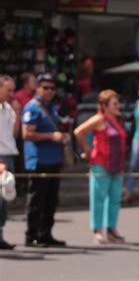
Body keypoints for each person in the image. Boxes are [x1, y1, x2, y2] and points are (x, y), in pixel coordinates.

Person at [74, 90, 127, 245]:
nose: (118, 106)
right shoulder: (99, 119)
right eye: (114, 103)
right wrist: (87, 150)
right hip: (101, 164)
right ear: (105, 106)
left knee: (115, 199)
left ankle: (112, 229)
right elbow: (79, 132)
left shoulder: (117, 120)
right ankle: (98, 230)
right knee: (99, 198)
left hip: (117, 165)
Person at [22, 73, 68, 247]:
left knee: (50, 201)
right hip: (38, 160)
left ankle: (45, 233)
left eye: (52, 88)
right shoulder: (32, 108)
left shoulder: (51, 107)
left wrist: (62, 137)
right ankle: (31, 235)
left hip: (53, 160)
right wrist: (51, 136)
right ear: (38, 88)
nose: (49, 91)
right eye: (45, 87)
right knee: (36, 200)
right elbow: (26, 134)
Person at [0, 75, 20, 250]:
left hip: (9, 154)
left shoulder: (8, 108)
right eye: (8, 90)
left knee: (4, 200)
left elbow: (14, 134)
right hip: (0, 158)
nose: (11, 94)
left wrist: (18, 114)